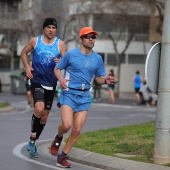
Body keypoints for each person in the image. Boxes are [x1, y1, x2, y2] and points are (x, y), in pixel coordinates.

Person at [50, 27, 114, 168]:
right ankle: (59, 136)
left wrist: (105, 81)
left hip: (85, 96)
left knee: (77, 129)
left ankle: (62, 157)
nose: (91, 39)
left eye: (93, 37)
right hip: (69, 93)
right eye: (87, 36)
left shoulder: (97, 58)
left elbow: (98, 78)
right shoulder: (70, 55)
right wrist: (60, 79)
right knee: (66, 125)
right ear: (81, 39)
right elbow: (56, 69)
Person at [21, 18, 66, 158]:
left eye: (53, 27)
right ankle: (33, 137)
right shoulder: (35, 41)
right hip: (37, 80)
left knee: (44, 116)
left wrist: (61, 63)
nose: (51, 30)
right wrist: (27, 66)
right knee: (39, 109)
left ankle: (32, 142)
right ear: (44, 28)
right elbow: (23, 53)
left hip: (51, 83)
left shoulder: (61, 44)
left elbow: (67, 63)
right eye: (48, 27)